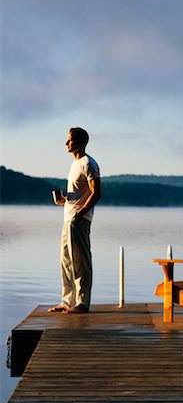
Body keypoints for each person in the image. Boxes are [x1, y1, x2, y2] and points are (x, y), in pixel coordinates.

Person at [49, 127, 101, 314]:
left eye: (70, 140)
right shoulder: (74, 165)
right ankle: (66, 301)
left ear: (80, 143)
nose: (66, 143)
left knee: (80, 262)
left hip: (79, 219)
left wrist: (80, 214)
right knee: (67, 262)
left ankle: (82, 303)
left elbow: (97, 193)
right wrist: (64, 200)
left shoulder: (88, 163)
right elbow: (80, 193)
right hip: (68, 218)